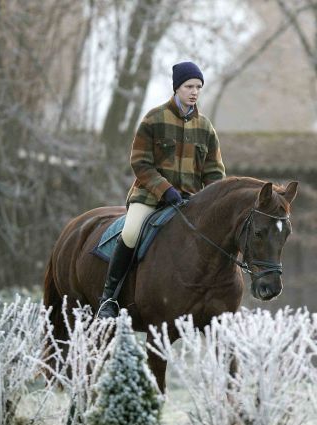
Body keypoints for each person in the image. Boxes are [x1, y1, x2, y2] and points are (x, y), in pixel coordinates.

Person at [97, 61, 226, 319]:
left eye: (199, 87)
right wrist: (164, 189)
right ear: (177, 87)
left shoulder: (206, 127)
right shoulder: (154, 119)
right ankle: (108, 298)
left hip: (189, 201)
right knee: (131, 233)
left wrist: (212, 201)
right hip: (150, 197)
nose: (194, 92)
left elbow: (214, 172)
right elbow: (140, 162)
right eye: (189, 86)